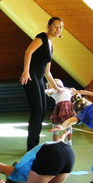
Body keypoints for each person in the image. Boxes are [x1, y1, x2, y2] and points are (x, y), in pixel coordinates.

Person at [19, 16, 64, 150]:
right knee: (37, 111)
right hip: (30, 77)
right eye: (55, 26)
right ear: (49, 26)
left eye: (60, 28)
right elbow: (28, 52)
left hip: (39, 78)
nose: (58, 29)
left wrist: (57, 88)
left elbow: (47, 72)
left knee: (42, 111)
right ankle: (31, 147)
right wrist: (26, 71)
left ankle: (35, 144)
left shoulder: (51, 46)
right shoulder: (42, 37)